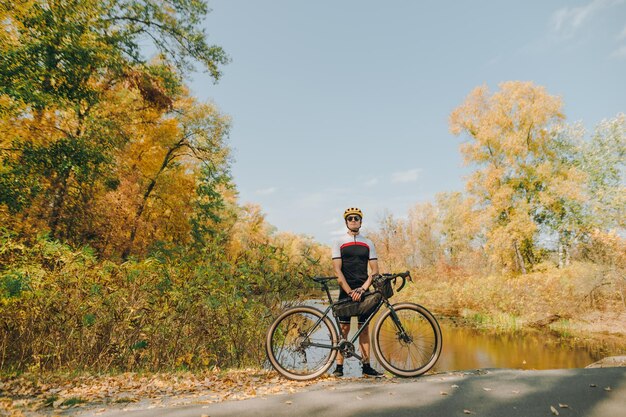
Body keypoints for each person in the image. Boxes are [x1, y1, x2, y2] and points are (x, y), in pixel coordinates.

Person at [331, 207, 383, 377]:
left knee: (364, 329)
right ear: (346, 222)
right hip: (346, 290)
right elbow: (337, 271)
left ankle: (366, 366)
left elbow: (374, 271)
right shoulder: (338, 242)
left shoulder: (368, 243)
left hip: (363, 291)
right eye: (350, 218)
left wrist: (362, 289)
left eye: (356, 218)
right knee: (344, 329)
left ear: (361, 221)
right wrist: (349, 291)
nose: (353, 220)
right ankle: (339, 367)